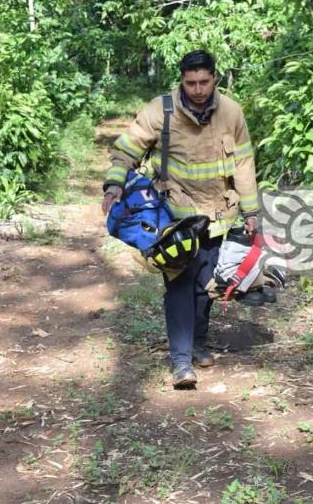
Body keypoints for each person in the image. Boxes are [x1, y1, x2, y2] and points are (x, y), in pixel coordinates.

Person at [101, 50, 259, 389]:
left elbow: (244, 163)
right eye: (191, 83)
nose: (198, 89)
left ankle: (199, 342)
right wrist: (114, 185)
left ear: (214, 77)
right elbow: (127, 149)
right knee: (178, 285)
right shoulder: (161, 110)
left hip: (219, 217)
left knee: (206, 287)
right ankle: (181, 361)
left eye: (204, 82)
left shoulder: (231, 112)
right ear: (181, 81)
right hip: (174, 219)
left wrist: (251, 212)